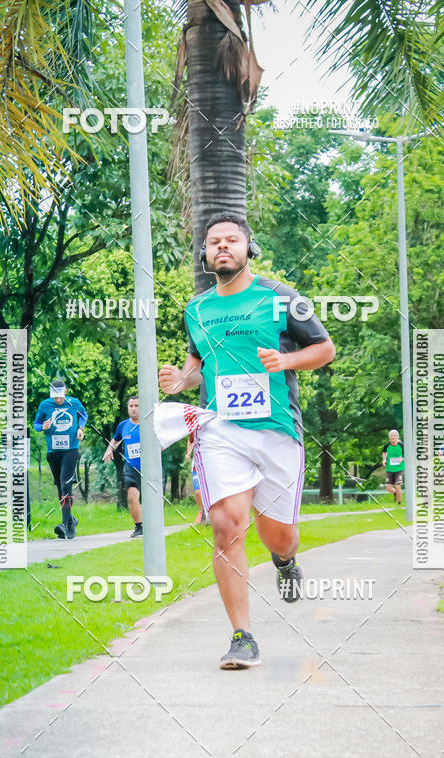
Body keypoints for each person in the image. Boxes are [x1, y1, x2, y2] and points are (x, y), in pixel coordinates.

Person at [159, 211, 335, 670]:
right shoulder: (196, 310)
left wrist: (287, 360)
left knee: (277, 533)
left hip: (277, 429)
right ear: (204, 253)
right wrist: (181, 380)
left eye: (231, 240)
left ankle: (284, 561)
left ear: (248, 249)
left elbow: (325, 349)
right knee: (227, 525)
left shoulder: (282, 298)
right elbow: (198, 363)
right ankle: (242, 636)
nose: (222, 246)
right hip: (220, 428)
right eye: (214, 241)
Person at [34, 378, 87, 539]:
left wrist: (80, 428)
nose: (58, 400)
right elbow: (36, 424)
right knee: (60, 487)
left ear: (65, 392)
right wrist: (42, 426)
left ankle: (66, 526)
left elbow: (83, 415)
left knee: (66, 485)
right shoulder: (45, 405)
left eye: (60, 396)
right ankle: (71, 520)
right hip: (53, 452)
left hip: (71, 450)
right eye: (55, 397)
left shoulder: (74, 403)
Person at [103, 396, 143, 538]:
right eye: (131, 406)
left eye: (136, 406)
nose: (133, 409)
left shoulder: (148, 422)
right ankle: (139, 526)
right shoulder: (123, 426)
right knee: (132, 496)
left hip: (150, 468)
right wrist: (109, 450)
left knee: (152, 499)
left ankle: (153, 523)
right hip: (131, 467)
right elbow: (115, 440)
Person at [186, 433, 207, 524]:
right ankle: (201, 511)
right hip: (196, 465)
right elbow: (190, 440)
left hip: (210, 464)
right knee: (198, 492)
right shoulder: (195, 426)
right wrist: (189, 452)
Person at [382, 429, 405, 505]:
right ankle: (395, 493)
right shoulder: (387, 445)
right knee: (388, 488)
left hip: (399, 468)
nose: (392, 437)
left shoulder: (401, 445)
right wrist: (384, 460)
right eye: (391, 436)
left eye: (393, 436)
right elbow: (384, 452)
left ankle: (399, 502)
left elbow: (405, 455)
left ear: (397, 437)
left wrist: (402, 458)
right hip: (390, 469)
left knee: (397, 485)